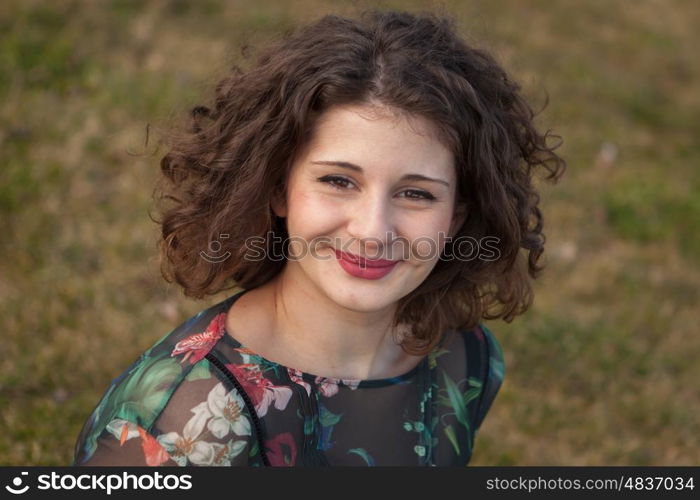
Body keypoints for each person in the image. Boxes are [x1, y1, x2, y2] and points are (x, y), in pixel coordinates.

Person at [72, 8, 565, 467]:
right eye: (338, 181)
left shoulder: (465, 357)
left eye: (416, 193)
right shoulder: (189, 424)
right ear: (279, 189)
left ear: (457, 217)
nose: (373, 231)